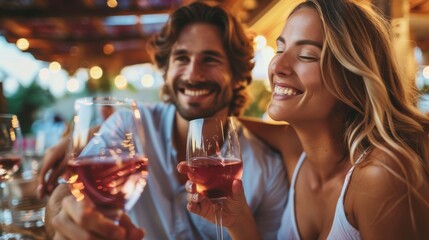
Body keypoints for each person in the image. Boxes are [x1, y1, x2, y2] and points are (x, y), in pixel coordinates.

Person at [180, 0, 429, 239]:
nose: (278, 65)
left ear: (353, 75)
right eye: (280, 49)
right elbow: (230, 123)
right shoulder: (295, 148)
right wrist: (238, 220)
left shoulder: (380, 177)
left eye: (307, 55)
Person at [39, 2, 289, 239]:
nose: (193, 74)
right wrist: (64, 218)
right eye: (181, 58)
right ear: (166, 71)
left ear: (236, 76)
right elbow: (68, 192)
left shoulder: (266, 167)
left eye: (210, 59)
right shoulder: (129, 126)